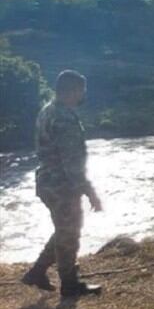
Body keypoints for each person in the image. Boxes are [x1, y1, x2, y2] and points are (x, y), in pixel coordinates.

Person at [21, 70, 103, 297]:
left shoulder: (47, 111)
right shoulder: (64, 117)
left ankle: (37, 273)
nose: (82, 95)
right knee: (70, 232)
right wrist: (90, 192)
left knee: (64, 230)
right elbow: (72, 162)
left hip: (47, 181)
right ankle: (69, 285)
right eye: (81, 90)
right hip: (62, 185)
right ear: (73, 90)